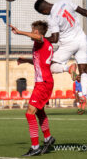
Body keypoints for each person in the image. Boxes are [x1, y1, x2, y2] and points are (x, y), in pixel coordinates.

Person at [34, 0, 87, 106]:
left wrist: (40, 39)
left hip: (68, 44)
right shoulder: (65, 2)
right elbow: (84, 12)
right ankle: (84, 95)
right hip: (82, 39)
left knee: (47, 66)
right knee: (83, 71)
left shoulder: (52, 18)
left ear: (43, 11)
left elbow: (55, 38)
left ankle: (67, 68)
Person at [10, 21, 55, 156]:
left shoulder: (41, 41)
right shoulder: (39, 45)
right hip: (43, 82)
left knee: (29, 113)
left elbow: (40, 37)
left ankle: (35, 147)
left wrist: (19, 32)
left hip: (43, 83)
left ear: (36, 32)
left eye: (32, 30)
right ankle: (48, 137)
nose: (31, 32)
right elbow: (38, 61)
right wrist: (26, 60)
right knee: (39, 112)